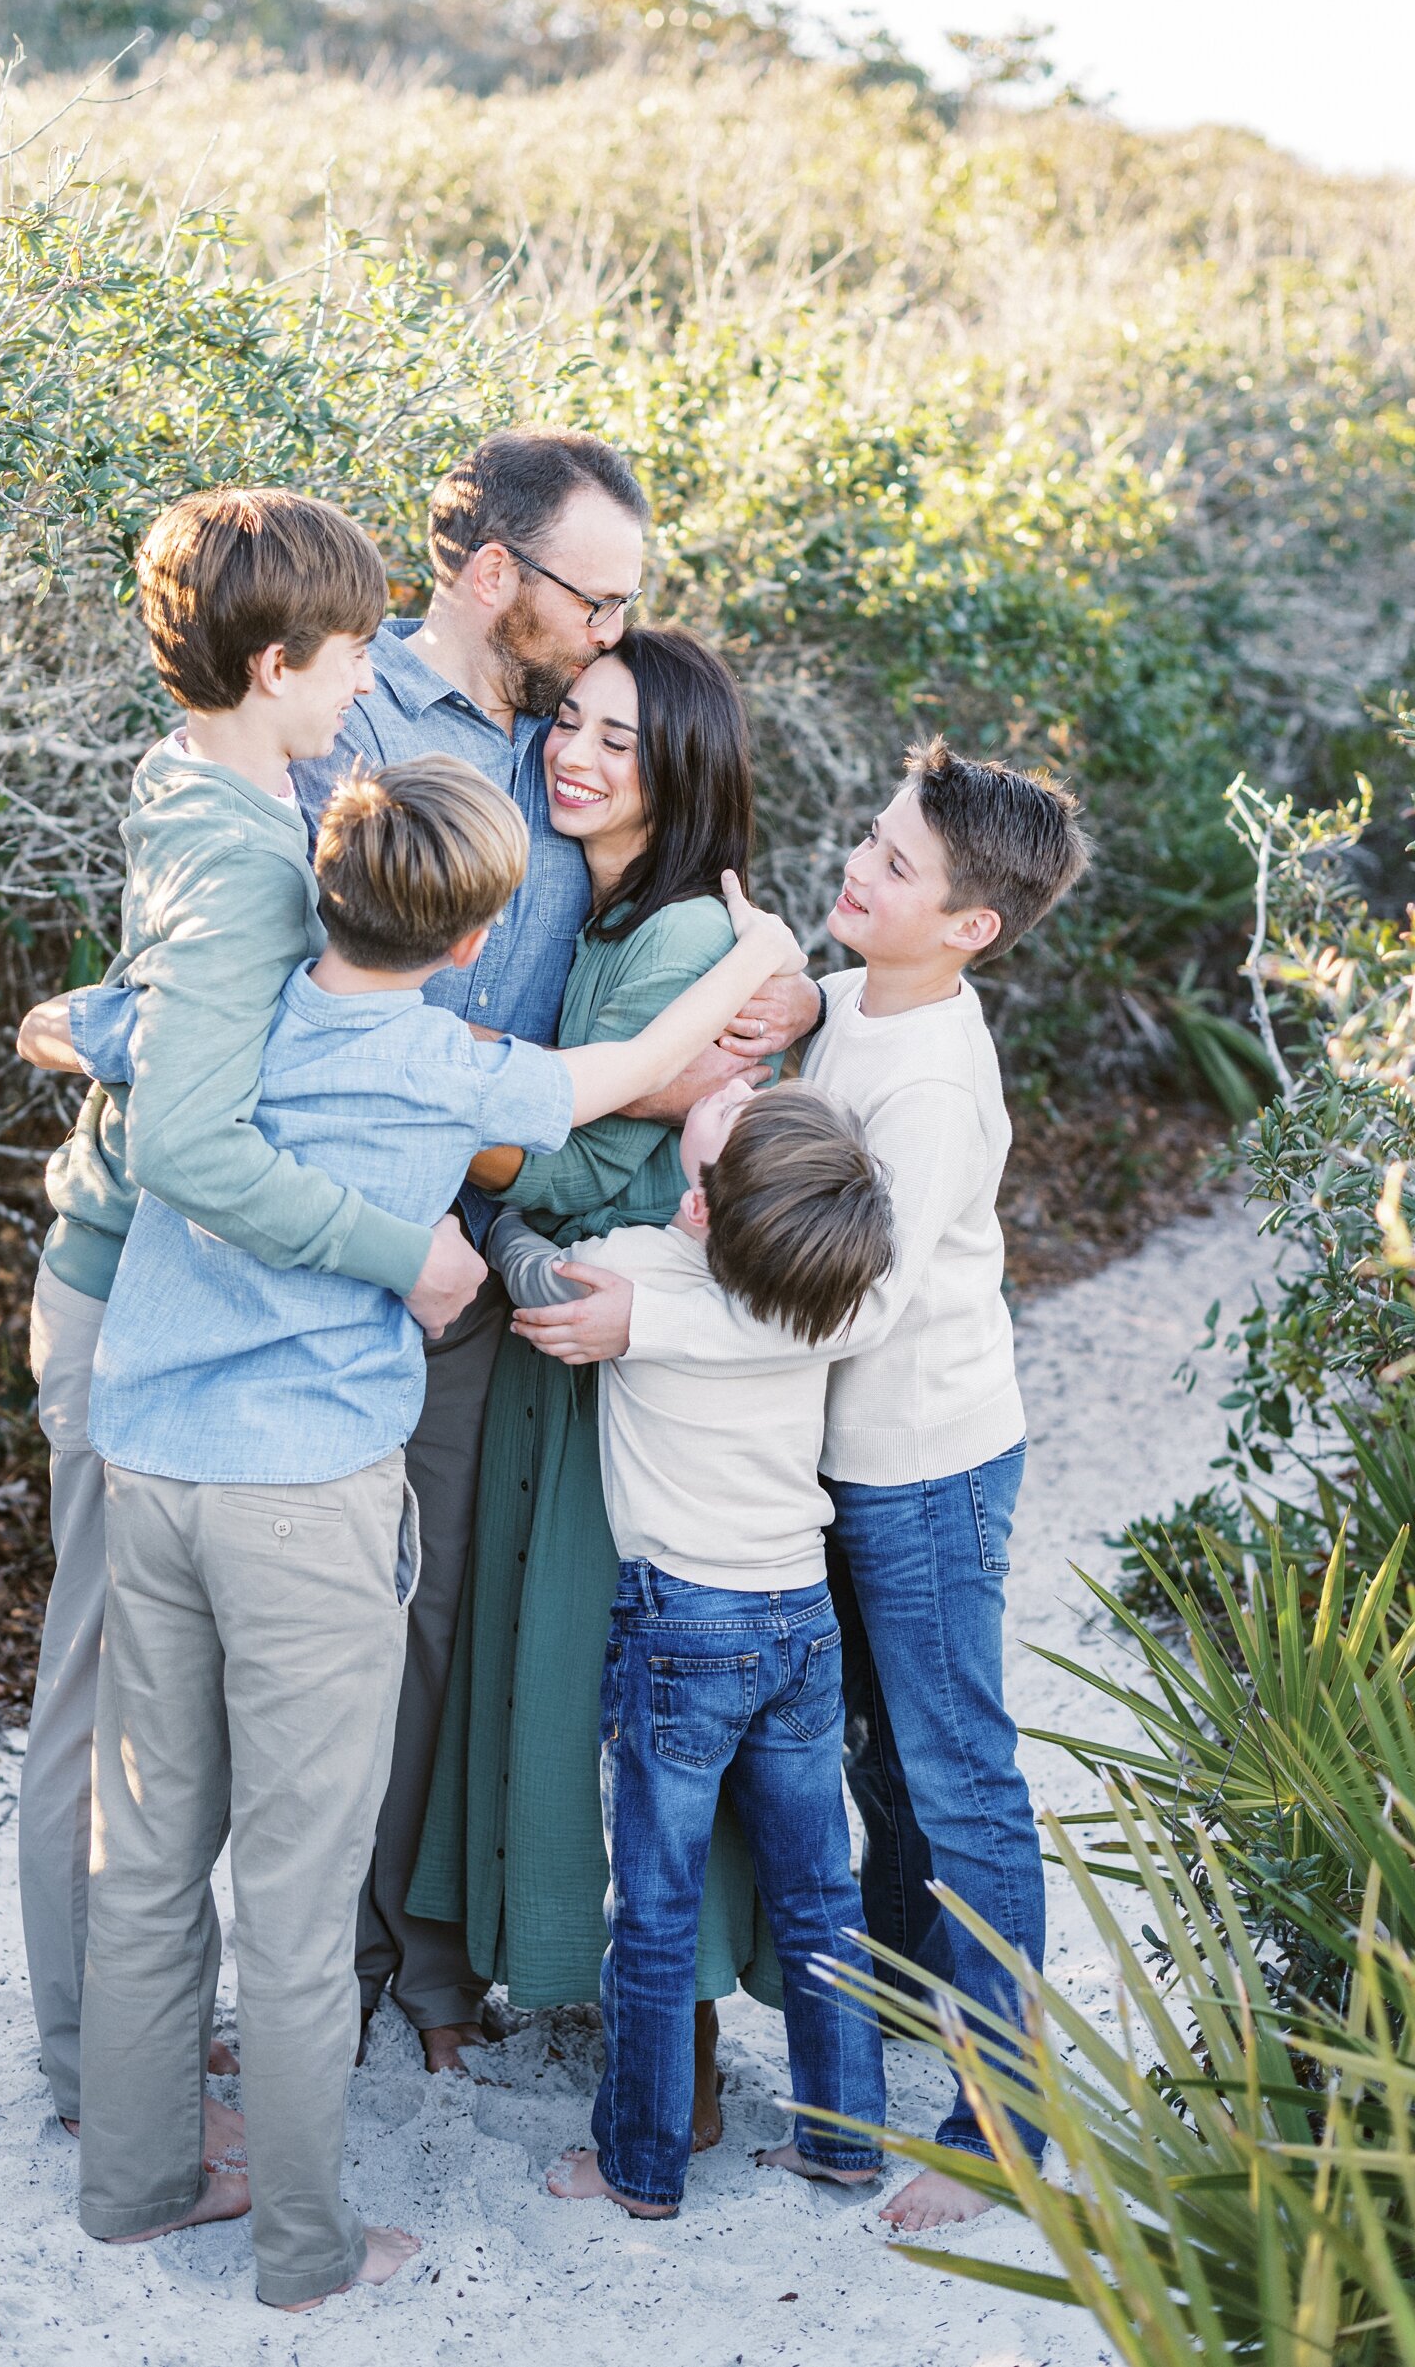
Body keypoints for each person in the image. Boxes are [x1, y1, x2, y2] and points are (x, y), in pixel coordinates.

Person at [54, 757, 806, 2307]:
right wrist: (756, 948)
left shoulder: (225, 1004)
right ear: (471, 944)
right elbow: (643, 1066)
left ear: (319, 888)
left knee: (146, 1848)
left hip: (151, 1461)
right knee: (299, 1871)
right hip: (301, 1493)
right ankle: (308, 2248)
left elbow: (81, 1022)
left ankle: (134, 2183)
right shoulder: (453, 1066)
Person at [286, 432, 822, 2075]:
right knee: (335, 1633)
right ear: (496, 573)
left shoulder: (552, 739)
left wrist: (778, 991)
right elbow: (308, 1008)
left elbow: (692, 916)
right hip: (353, 1242)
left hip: (516, 1273)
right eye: (594, 605)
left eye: (624, 635)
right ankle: (324, 1989)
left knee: (468, 1628)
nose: (606, 645)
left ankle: (454, 1975)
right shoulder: (355, 726)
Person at [517, 737, 1091, 2234]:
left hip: (924, 1467)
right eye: (875, 834)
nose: (860, 863)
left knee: (955, 1776)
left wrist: (646, 1316)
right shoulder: (862, 1006)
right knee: (879, 1773)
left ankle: (1005, 2128)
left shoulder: (934, 1096)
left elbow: (844, 1308)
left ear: (970, 927)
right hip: (838, 1469)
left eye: (896, 866)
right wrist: (784, 995)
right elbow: (824, 1021)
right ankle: (892, 2041)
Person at [14, 488, 479, 2146]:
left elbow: (180, 1023)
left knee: (124, 1714)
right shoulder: (240, 837)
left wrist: (106, 1025)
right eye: (352, 657)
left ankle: (120, 2059)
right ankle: (98, 2076)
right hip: (135, 1297)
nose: (368, 686)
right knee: (103, 1716)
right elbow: (210, 1140)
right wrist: (400, 1255)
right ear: (279, 659)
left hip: (157, 1303)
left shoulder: (218, 778)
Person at [407, 626, 796, 2140]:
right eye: (568, 721)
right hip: (546, 1332)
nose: (572, 753)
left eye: (616, 738)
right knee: (542, 1668)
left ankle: (678, 2074)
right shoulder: (599, 908)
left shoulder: (691, 939)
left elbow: (578, 1155)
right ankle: (552, 1988)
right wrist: (506, 1215)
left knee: (610, 1691)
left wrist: (432, 1087)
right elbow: (546, 1164)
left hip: (609, 1376)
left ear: (684, 763)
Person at [489, 1078, 895, 2216]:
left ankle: (642, 2164)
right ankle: (846, 2142)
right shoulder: (835, 1291)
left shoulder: (638, 1265)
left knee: (657, 1909)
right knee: (819, 1896)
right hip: (798, 1620)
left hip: (682, 1624)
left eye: (715, 1125)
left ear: (705, 1207)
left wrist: (498, 1223)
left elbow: (535, 1273)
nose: (730, 1091)